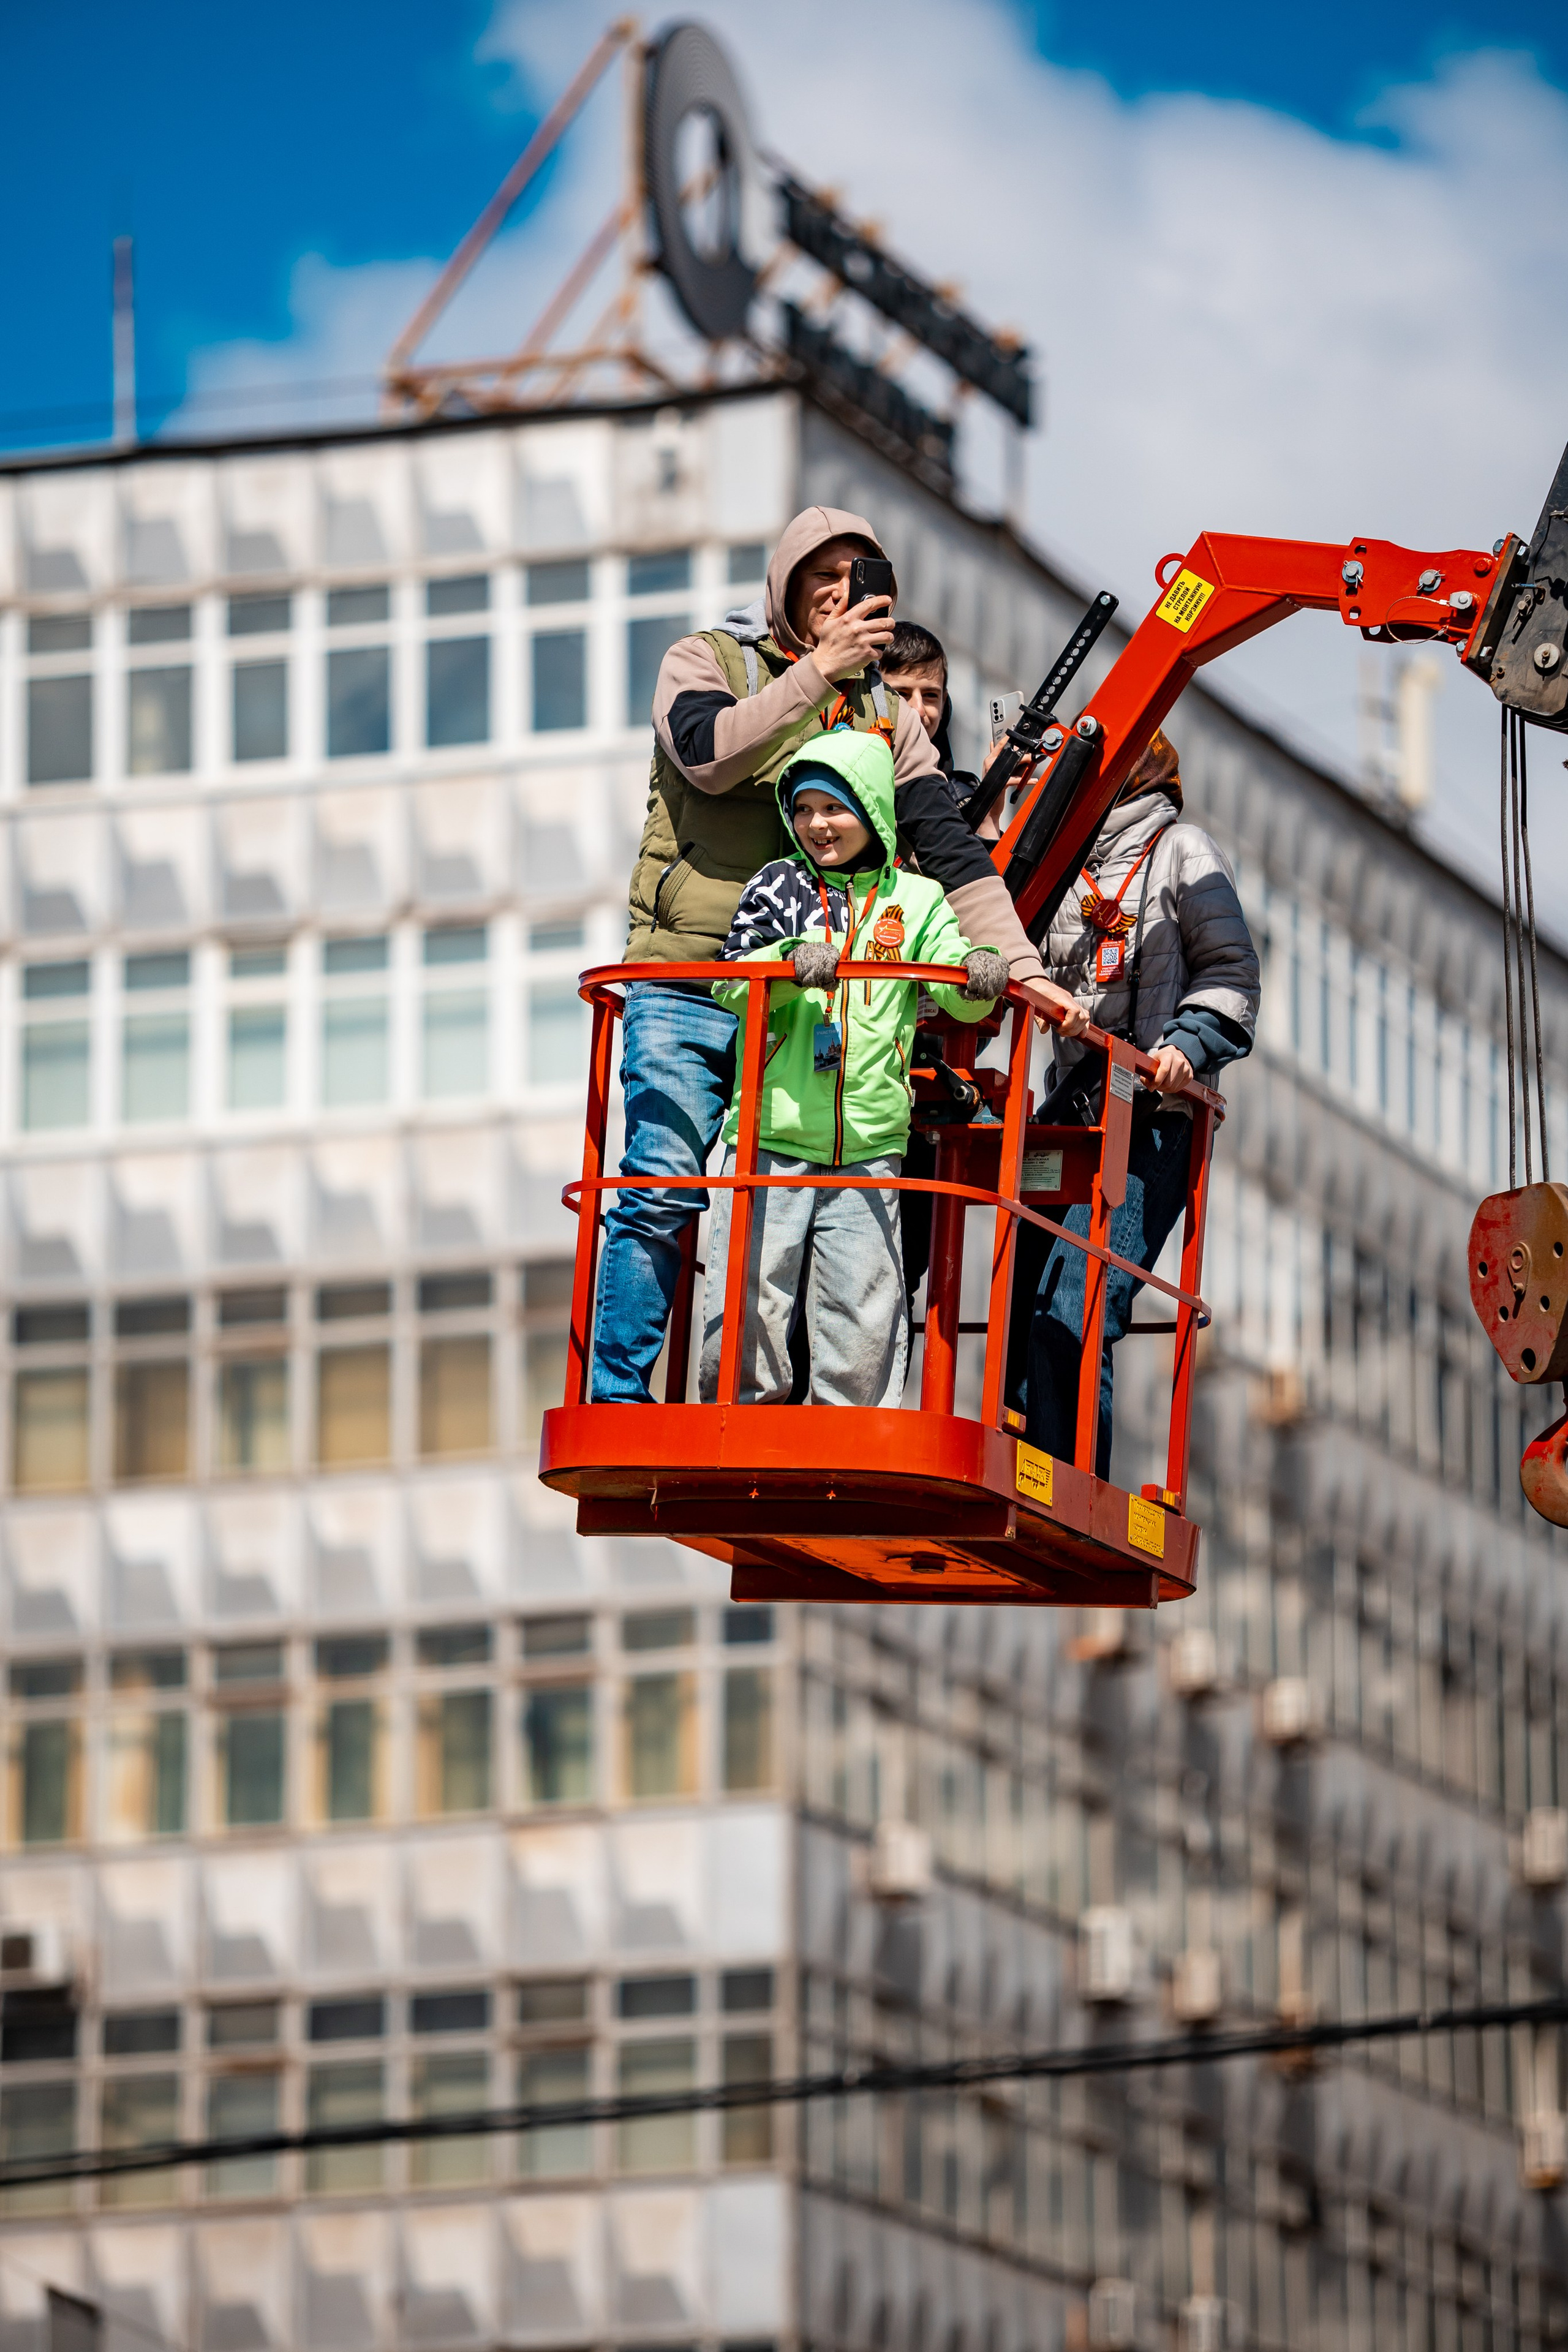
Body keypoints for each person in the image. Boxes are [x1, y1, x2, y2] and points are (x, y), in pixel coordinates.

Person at [591, 505, 1080, 1403]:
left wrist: (1023, 970)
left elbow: (948, 845)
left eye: (856, 577)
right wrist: (819, 675)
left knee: (802, 1196)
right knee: (663, 1184)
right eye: (820, 575)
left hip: (810, 998)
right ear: (785, 584)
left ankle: (806, 1400)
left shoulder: (887, 716)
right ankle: (616, 1395)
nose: (837, 592)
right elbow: (709, 757)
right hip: (693, 973)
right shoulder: (707, 662)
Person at [697, 728, 1007, 1406]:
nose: (816, 825)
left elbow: (953, 987)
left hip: (869, 1140)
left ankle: (850, 1431)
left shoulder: (917, 899)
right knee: (750, 1296)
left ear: (871, 809)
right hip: (768, 1135)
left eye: (834, 809)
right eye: (803, 810)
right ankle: (740, 1423)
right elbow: (729, 979)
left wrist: (975, 972)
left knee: (863, 1306)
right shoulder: (777, 884)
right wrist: (786, 961)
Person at [1016, 728, 1260, 1475]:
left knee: (1080, 1302)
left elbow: (1230, 969)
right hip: (1077, 1111)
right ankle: (1029, 1452)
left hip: (1150, 1117)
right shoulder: (1058, 864)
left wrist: (1186, 1044)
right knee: (1019, 1283)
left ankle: (1066, 1477)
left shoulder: (1180, 849)